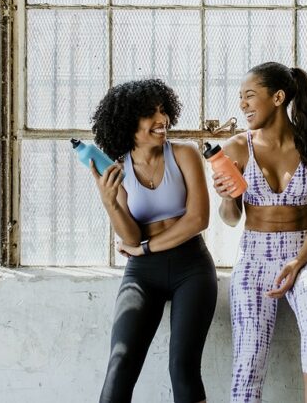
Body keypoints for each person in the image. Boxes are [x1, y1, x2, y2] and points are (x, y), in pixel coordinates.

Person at [213, 62, 307, 403]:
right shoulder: (236, 148)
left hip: (305, 253)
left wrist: (297, 262)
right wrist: (226, 197)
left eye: (250, 96)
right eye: (241, 97)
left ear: (278, 97)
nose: (243, 105)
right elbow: (231, 219)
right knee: (248, 355)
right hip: (254, 256)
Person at [91, 79, 217, 403]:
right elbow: (130, 236)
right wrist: (110, 203)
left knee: (183, 368)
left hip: (192, 267)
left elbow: (198, 219)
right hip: (143, 274)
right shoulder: (119, 169)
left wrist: (146, 248)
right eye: (150, 114)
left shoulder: (185, 154)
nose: (162, 120)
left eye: (163, 110)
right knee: (120, 365)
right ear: (127, 123)